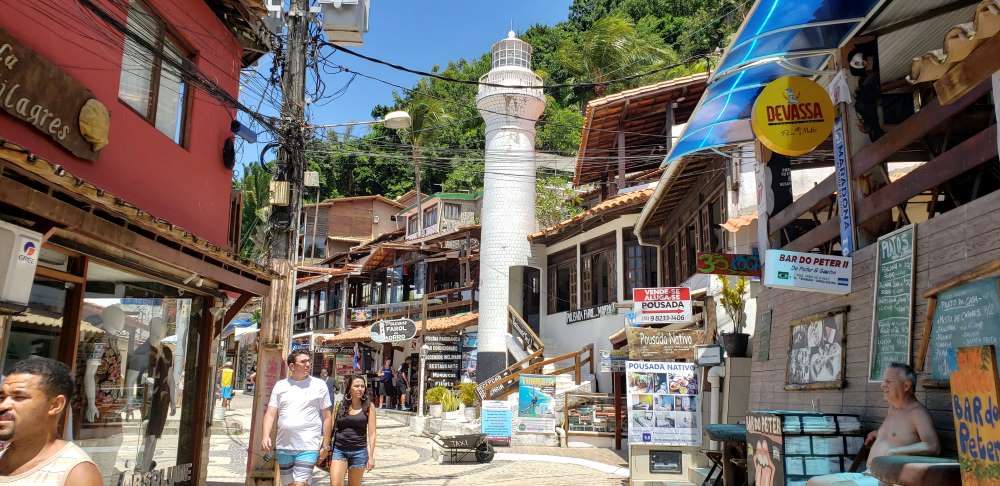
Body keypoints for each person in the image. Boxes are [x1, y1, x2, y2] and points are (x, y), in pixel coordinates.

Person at [807, 363, 940, 486]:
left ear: (906, 386)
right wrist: (878, 433)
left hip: (887, 479)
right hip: (868, 473)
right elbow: (900, 433)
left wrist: (894, 452)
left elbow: (933, 446)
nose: (882, 385)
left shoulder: (917, 412)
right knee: (813, 482)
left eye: (888, 381)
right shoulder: (893, 409)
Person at [0, 356, 102, 485]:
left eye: (19, 397)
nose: (3, 406)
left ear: (55, 405)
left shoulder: (75, 473)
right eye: (2, 397)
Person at [261, 351, 333, 486]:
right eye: (303, 362)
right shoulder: (280, 386)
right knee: (290, 484)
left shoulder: (319, 385)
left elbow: (327, 416)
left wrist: (325, 445)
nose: (308, 364)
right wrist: (266, 436)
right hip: (284, 445)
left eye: (308, 361)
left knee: (299, 484)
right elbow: (270, 413)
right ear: (292, 366)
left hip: (308, 445)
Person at [329, 374, 376, 486]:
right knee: (335, 484)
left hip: (359, 452)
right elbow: (330, 427)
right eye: (356, 386)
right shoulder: (339, 405)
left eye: (362, 386)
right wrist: (325, 446)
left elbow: (372, 433)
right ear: (349, 388)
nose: (360, 389)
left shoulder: (369, 407)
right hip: (339, 450)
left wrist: (371, 457)